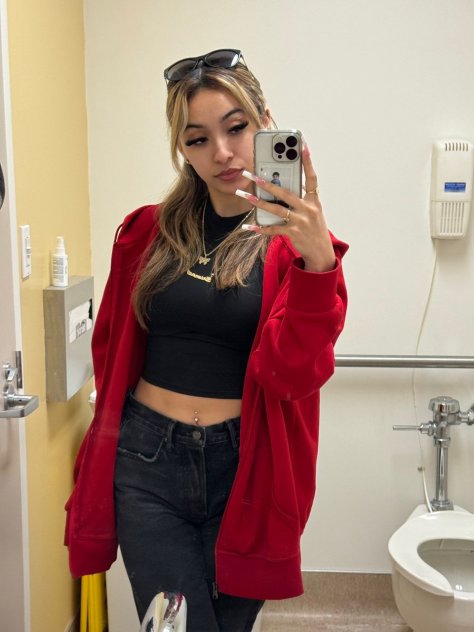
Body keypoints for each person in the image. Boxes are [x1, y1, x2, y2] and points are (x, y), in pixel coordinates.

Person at [64, 48, 348, 632]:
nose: (221, 152)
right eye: (198, 139)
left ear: (265, 123)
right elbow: (112, 345)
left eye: (236, 128)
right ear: (182, 148)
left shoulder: (294, 250)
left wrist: (318, 267)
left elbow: (291, 375)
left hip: (246, 469)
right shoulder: (147, 233)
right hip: (146, 464)